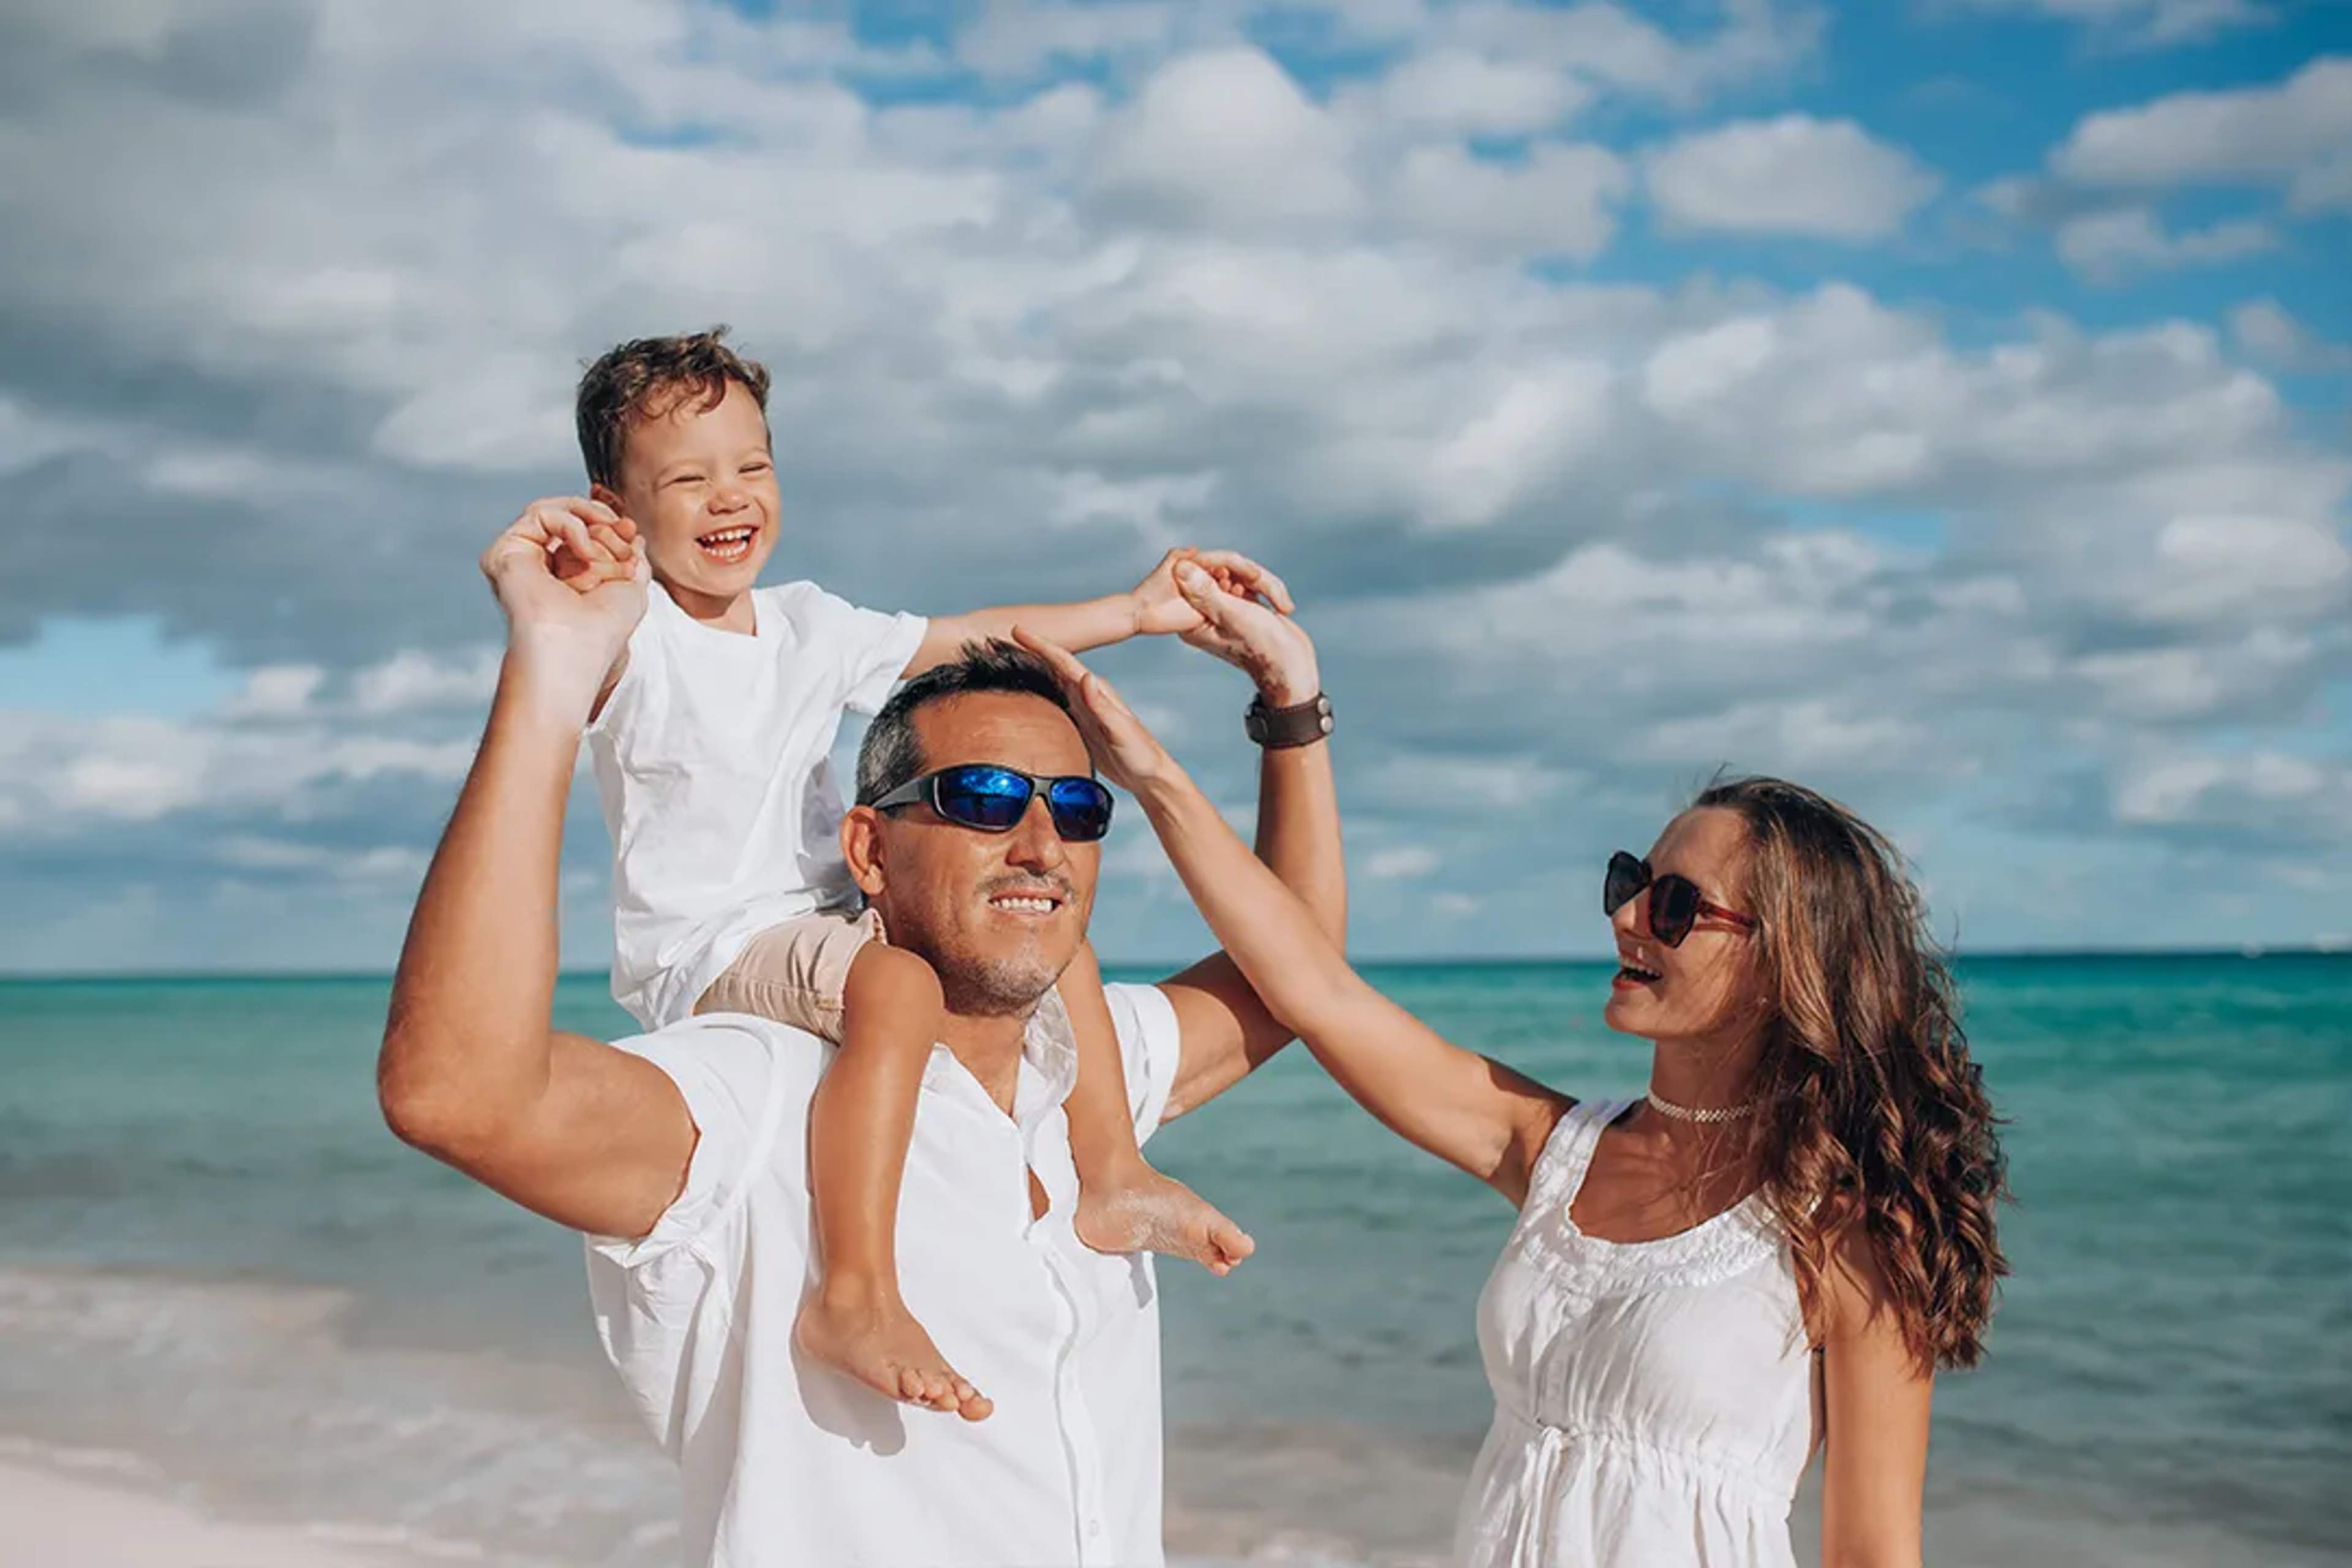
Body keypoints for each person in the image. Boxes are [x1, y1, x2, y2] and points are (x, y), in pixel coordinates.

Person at [376, 535, 1344, 1564]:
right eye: (982, 798)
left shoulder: (1086, 1072)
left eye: (1075, 806)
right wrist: (550, 680)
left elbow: (1298, 981)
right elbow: (456, 1093)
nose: (1039, 844)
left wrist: (1291, 708)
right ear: (869, 851)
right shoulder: (761, 1092)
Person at [1018, 631, 2010, 1568]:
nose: (1627, 918)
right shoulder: (1554, 1151)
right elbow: (1315, 991)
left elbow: (1874, 1550)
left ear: (1784, 963)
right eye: (1633, 881)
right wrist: (1158, 774)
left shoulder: (1846, 1225)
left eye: (1675, 906)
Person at [525, 327, 1291, 1415]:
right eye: (686, 480)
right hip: (718, 950)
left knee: (1043, 925)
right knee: (896, 985)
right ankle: (853, 1291)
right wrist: (568, 588)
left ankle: (1111, 1173)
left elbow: (968, 635)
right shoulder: (631, 632)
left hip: (836, 913)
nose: (727, 498)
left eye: (750, 467)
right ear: (618, 503)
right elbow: (565, 678)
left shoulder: (806, 627)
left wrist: (1136, 611)